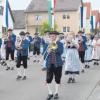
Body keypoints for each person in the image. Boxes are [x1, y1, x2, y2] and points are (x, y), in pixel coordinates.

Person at [43, 31, 63, 100]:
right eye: (51, 36)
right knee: (48, 79)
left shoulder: (59, 43)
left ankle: (56, 93)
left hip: (58, 63)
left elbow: (61, 52)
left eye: (54, 36)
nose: (52, 37)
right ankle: (50, 93)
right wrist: (47, 51)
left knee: (57, 78)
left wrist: (55, 47)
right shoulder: (46, 44)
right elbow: (44, 55)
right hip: (49, 63)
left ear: (56, 37)